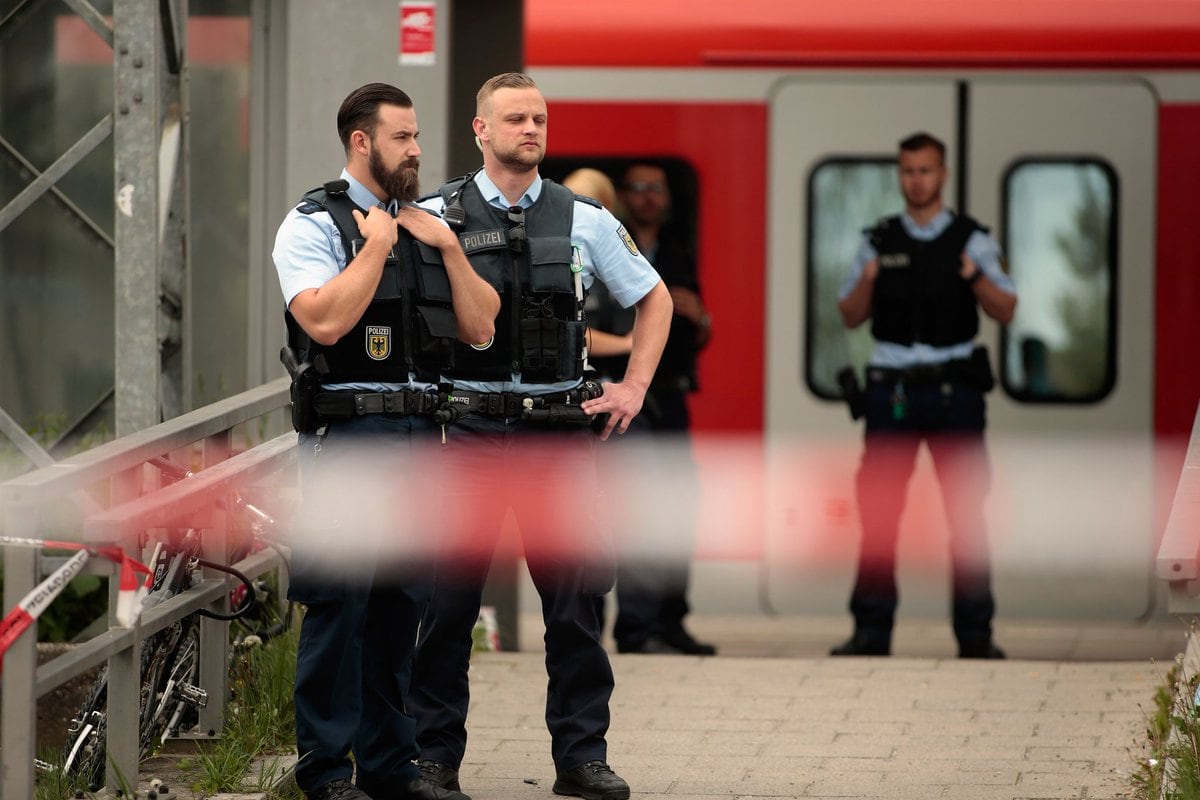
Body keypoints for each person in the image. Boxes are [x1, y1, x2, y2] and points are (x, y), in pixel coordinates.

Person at [409, 74, 673, 800]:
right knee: (445, 606)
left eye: (540, 118)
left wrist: (635, 388)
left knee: (577, 605)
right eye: (516, 118)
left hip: (558, 434)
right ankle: (433, 762)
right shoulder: (433, 216)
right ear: (480, 130)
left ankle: (581, 759)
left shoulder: (584, 218)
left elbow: (654, 299)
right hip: (464, 431)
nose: (532, 128)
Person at [272, 82, 499, 800]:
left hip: (419, 437)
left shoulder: (431, 222)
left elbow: (482, 329)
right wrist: (374, 249)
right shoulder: (312, 224)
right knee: (341, 608)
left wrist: (453, 253)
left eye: (418, 136)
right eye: (403, 137)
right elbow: (326, 323)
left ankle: (390, 767)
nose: (418, 151)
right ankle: (326, 772)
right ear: (362, 142)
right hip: (349, 436)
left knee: (405, 604)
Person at [832, 131, 1017, 659]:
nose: (917, 180)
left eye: (927, 170)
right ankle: (870, 633)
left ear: (944, 175)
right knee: (880, 513)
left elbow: (1006, 308)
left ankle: (976, 637)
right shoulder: (878, 240)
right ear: (900, 175)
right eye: (909, 171)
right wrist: (869, 277)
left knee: (966, 516)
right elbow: (849, 315)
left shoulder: (971, 239)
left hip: (954, 391)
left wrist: (975, 275)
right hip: (892, 393)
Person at [573, 163, 716, 656]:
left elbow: (673, 319)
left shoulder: (627, 254)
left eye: (591, 202)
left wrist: (696, 322)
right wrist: (629, 343)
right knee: (590, 529)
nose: (579, 212)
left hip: (637, 407)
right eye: (570, 201)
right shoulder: (558, 258)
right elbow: (570, 333)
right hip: (580, 408)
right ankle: (592, 631)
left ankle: (641, 630)